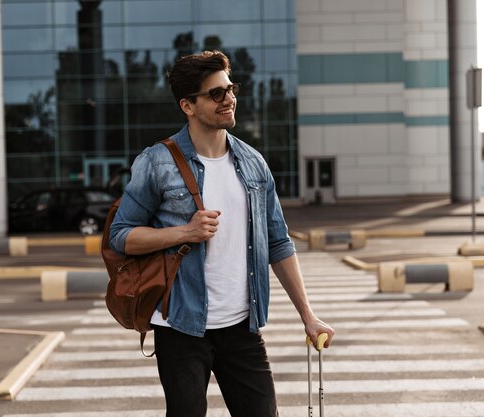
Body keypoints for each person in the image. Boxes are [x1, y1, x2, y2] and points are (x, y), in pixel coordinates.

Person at [109, 50, 334, 417]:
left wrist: (308, 316)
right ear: (188, 105)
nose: (229, 99)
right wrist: (185, 231)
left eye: (230, 89)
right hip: (181, 327)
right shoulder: (156, 162)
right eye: (216, 93)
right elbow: (121, 235)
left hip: (242, 327)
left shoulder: (254, 164)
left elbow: (278, 243)